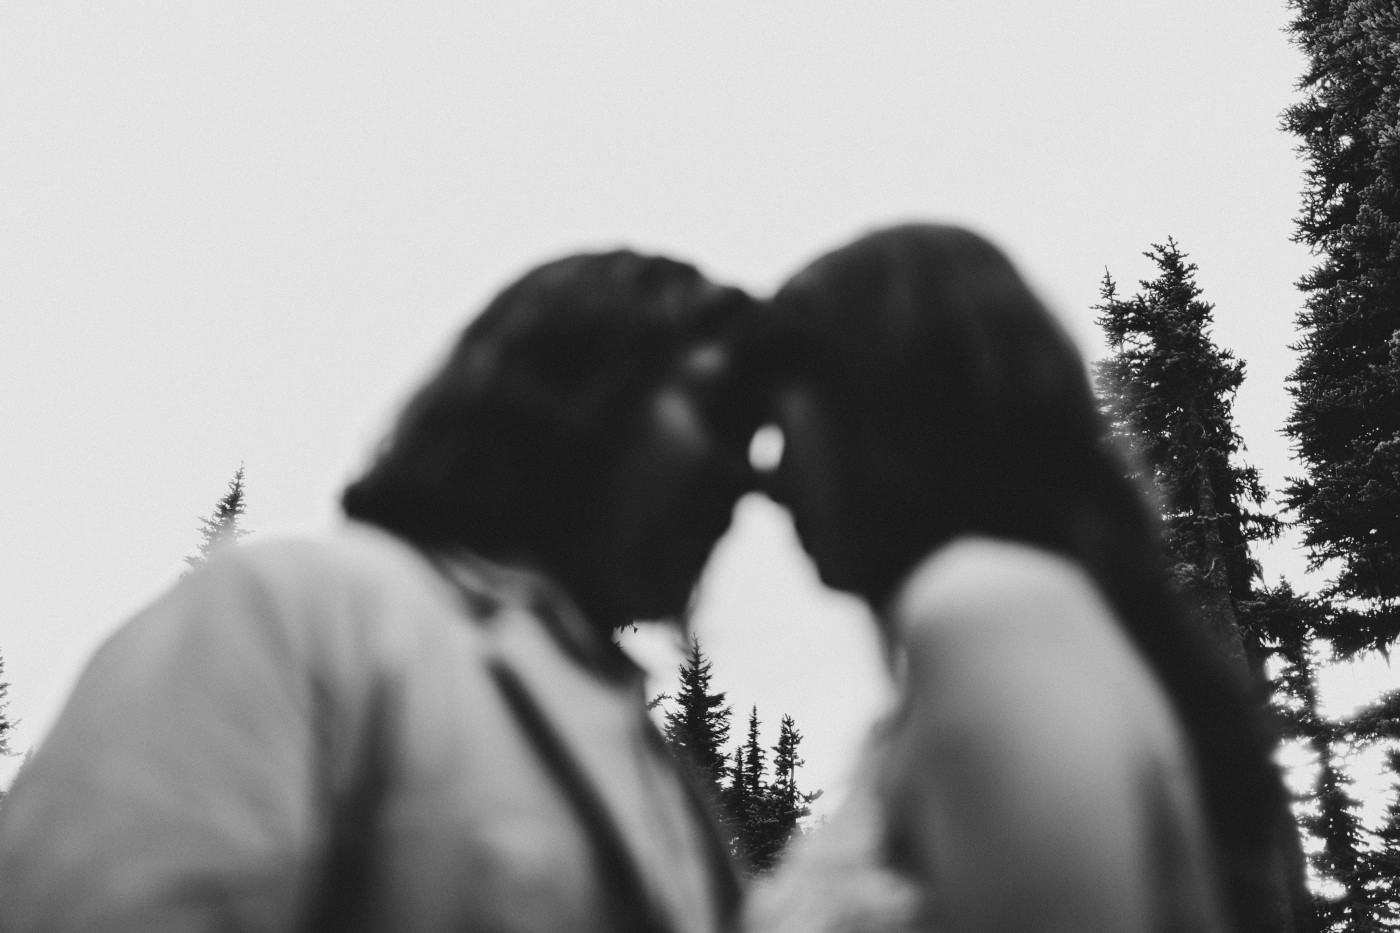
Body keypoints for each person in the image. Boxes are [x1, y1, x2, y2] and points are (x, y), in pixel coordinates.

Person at [0, 250, 759, 933]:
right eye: (716, 413)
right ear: (576, 388)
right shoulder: (301, 607)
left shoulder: (666, 783)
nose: (743, 476)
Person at [744, 224, 1306, 933]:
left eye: (787, 421)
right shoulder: (1032, 622)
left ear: (881, 410)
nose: (770, 476)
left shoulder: (982, 607)